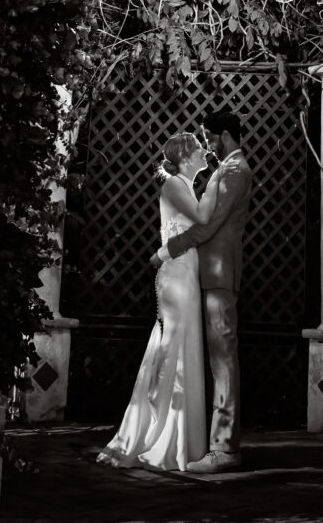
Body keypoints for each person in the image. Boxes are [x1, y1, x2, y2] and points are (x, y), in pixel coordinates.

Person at [97, 132, 217, 471]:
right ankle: (161, 435)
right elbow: (205, 220)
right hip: (177, 276)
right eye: (197, 149)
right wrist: (218, 184)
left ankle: (179, 438)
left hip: (185, 273)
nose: (204, 151)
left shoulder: (183, 185)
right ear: (183, 158)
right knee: (174, 347)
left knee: (182, 345)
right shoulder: (176, 185)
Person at [150, 109, 252, 474]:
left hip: (219, 274)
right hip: (210, 274)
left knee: (223, 361)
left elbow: (208, 227)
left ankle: (225, 449)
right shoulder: (226, 171)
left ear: (225, 135)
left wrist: (166, 250)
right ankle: (218, 444)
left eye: (210, 137)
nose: (207, 145)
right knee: (216, 360)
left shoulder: (235, 172)